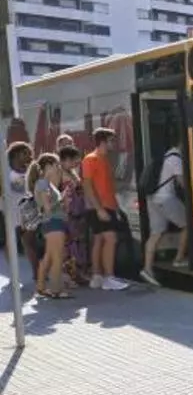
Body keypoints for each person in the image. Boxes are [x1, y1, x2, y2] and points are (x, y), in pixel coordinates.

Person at [81, 127, 129, 291]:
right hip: (100, 207)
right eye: (111, 140)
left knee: (99, 240)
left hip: (105, 206)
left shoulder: (103, 160)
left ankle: (97, 276)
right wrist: (99, 209)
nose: (114, 144)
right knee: (111, 239)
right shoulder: (91, 159)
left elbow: (108, 187)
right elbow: (87, 185)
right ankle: (109, 277)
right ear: (103, 142)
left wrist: (116, 208)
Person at [141, 136, 188, 286]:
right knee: (188, 224)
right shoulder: (176, 159)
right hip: (166, 199)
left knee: (155, 234)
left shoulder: (165, 155)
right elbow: (182, 183)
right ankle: (178, 259)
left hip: (153, 198)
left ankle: (147, 269)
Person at [27, 153, 71, 299]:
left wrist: (61, 199)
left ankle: (41, 287)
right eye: (55, 165)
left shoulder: (45, 183)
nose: (58, 167)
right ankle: (56, 290)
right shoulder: (43, 183)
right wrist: (61, 199)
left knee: (49, 257)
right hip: (53, 222)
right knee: (57, 257)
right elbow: (47, 207)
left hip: (51, 223)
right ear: (47, 166)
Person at [4, 142, 40, 283]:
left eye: (29, 153)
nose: (29, 156)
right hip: (11, 212)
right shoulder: (5, 170)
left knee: (29, 242)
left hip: (28, 211)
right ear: (15, 154)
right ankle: (13, 273)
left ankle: (37, 272)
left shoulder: (32, 170)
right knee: (11, 243)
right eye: (25, 153)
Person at [58, 145, 89, 287]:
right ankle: (71, 275)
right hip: (68, 214)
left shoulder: (71, 173)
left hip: (78, 213)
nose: (76, 162)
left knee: (78, 243)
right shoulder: (60, 174)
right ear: (65, 159)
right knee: (70, 245)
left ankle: (77, 273)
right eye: (73, 160)